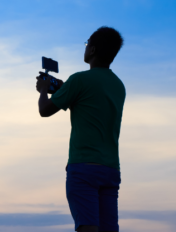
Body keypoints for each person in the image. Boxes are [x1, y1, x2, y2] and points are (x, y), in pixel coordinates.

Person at [36, 26, 125, 232]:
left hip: (84, 167)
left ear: (92, 50)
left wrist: (43, 91)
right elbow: (90, 100)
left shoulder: (79, 80)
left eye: (86, 44)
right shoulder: (118, 85)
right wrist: (66, 88)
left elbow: (44, 110)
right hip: (111, 169)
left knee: (87, 228)